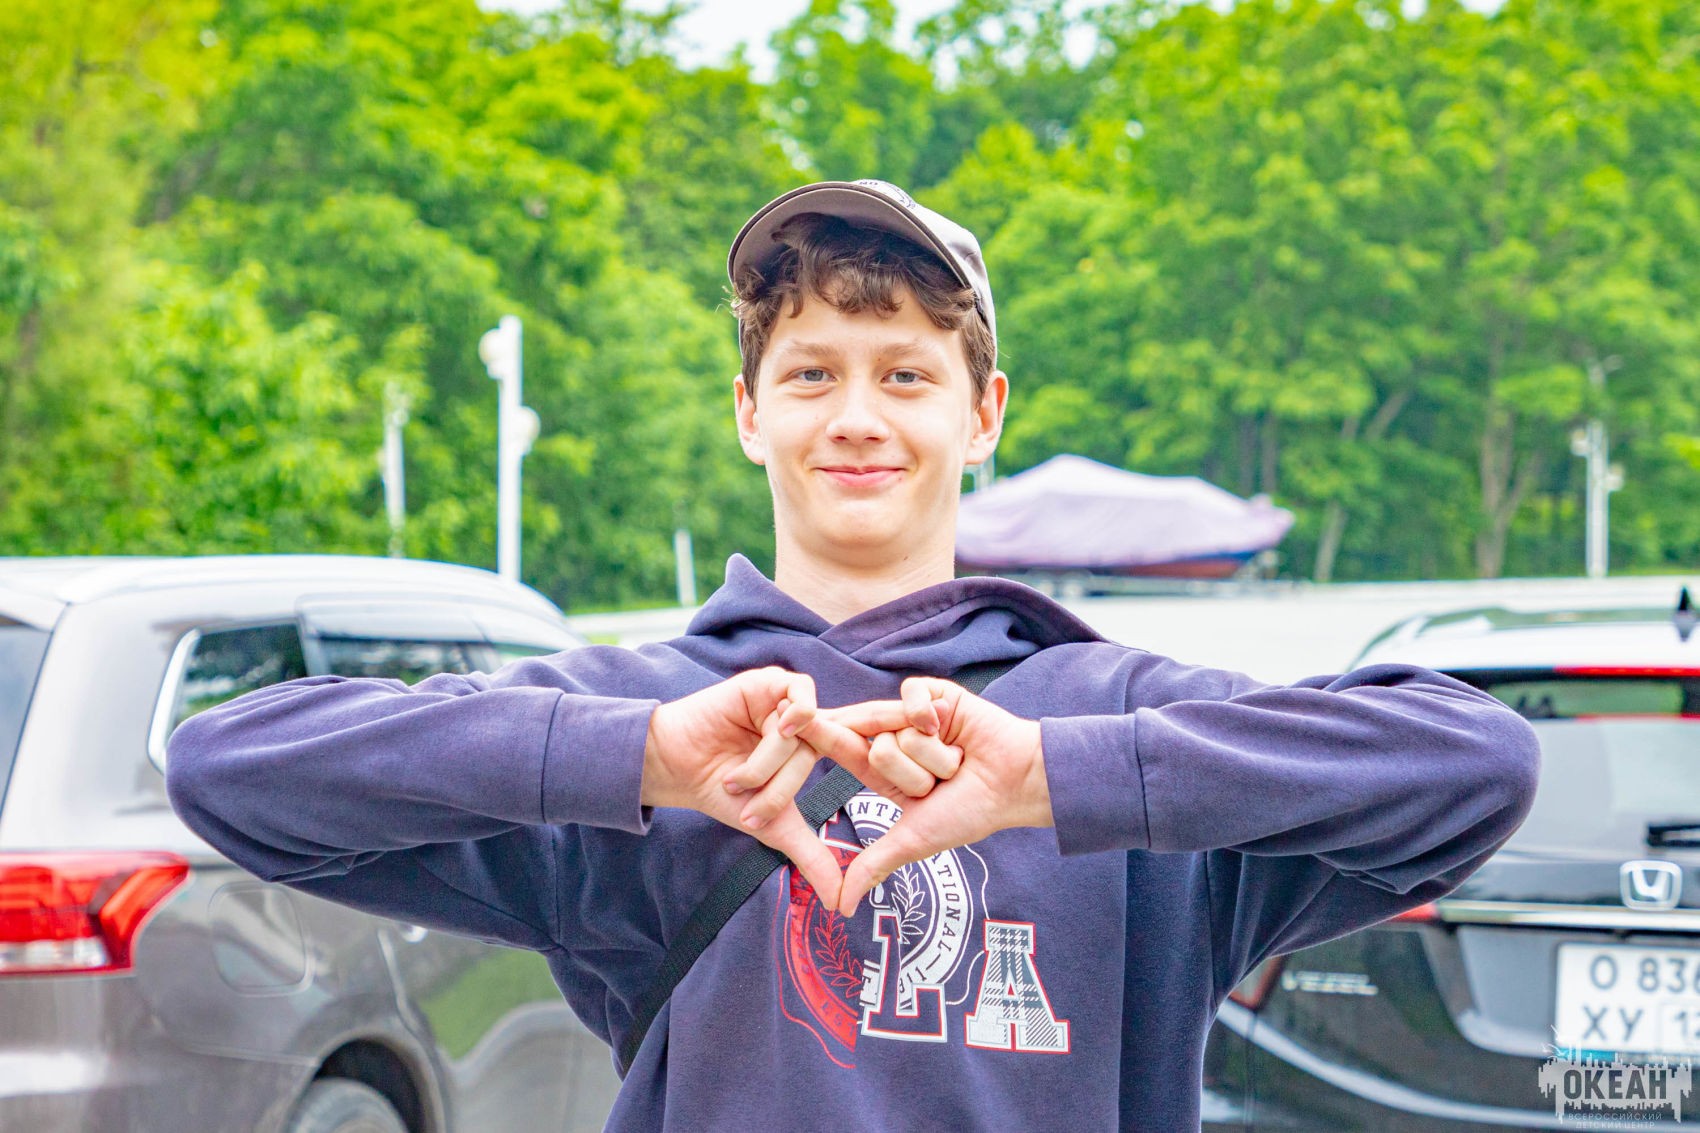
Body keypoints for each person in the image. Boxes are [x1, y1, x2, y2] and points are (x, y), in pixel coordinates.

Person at [167, 179, 1540, 1131]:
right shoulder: (642, 717)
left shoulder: (1116, 717)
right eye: (812, 372)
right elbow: (231, 770)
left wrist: (1051, 779)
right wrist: (638, 760)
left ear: (983, 413)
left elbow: (1477, 763)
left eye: (906, 372)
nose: (857, 416)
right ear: (749, 412)